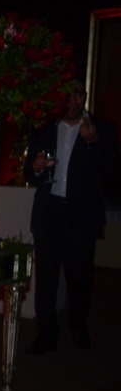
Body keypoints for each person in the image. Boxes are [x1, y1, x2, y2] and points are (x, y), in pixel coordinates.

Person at [25, 84, 119, 354]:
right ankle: (46, 335)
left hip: (82, 214)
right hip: (49, 212)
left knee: (80, 276)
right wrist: (36, 167)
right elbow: (30, 172)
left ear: (84, 97)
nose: (72, 101)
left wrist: (93, 143)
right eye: (66, 95)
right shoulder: (45, 128)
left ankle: (78, 326)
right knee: (46, 276)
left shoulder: (103, 129)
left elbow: (112, 175)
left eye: (77, 94)